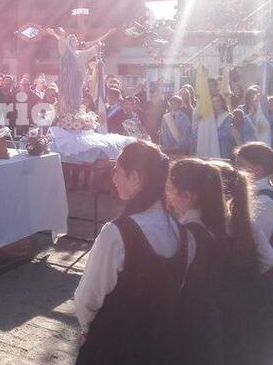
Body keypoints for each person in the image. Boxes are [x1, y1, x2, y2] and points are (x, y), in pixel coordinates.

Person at [74, 141, 189, 365]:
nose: (113, 179)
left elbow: (88, 297)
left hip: (113, 346)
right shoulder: (181, 232)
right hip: (158, 346)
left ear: (135, 177)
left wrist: (88, 329)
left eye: (117, 171)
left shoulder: (117, 233)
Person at [211, 160, 273, 365]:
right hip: (245, 302)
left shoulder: (208, 225)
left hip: (218, 308)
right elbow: (267, 258)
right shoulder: (245, 220)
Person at [165, 159, 225, 365]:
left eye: (170, 190)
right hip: (210, 320)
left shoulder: (189, 233)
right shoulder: (217, 223)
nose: (168, 197)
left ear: (187, 196)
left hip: (189, 325)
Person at [46, 27, 114, 114]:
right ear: (69, 42)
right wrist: (61, 34)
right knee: (65, 100)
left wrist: (98, 45)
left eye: (76, 40)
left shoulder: (80, 54)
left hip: (77, 82)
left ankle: (74, 114)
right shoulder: (65, 53)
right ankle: (66, 114)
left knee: (76, 99)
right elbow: (62, 43)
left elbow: (91, 50)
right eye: (73, 40)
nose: (76, 41)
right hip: (66, 82)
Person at [234, 142, 273, 246]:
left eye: (240, 164)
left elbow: (256, 242)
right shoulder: (251, 192)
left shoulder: (265, 201)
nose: (235, 168)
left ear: (258, 170)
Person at [212, 94, 234, 159]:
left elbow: (226, 132)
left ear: (222, 102)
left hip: (223, 146)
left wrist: (212, 135)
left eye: (218, 101)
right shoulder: (211, 116)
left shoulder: (228, 116)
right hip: (213, 146)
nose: (215, 103)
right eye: (213, 101)